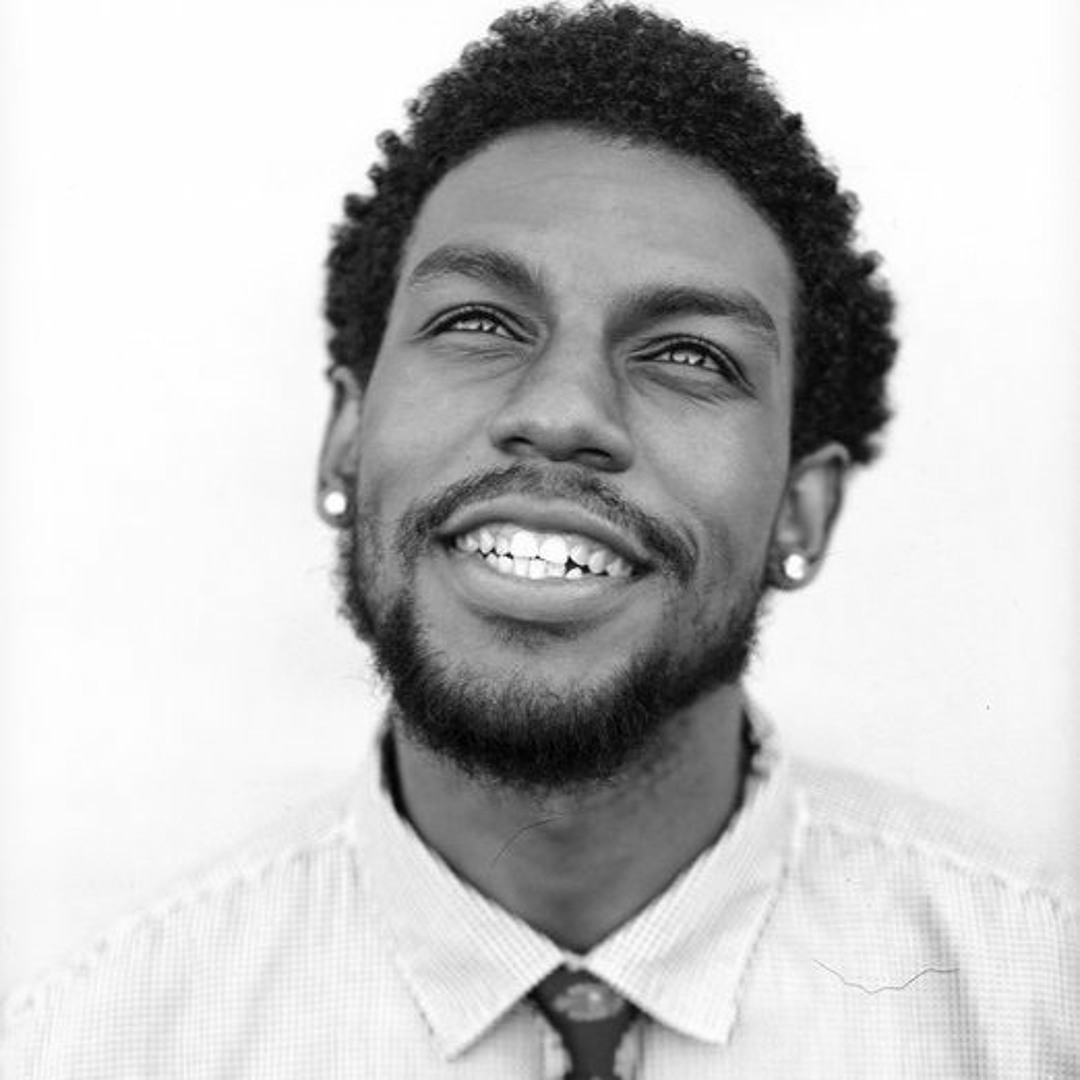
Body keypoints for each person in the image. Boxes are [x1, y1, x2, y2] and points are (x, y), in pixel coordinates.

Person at [2, 3, 1075, 1077]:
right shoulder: (88, 1043)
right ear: (344, 440)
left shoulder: (1038, 1008)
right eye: (476, 322)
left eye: (691, 356)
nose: (562, 412)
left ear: (802, 509)